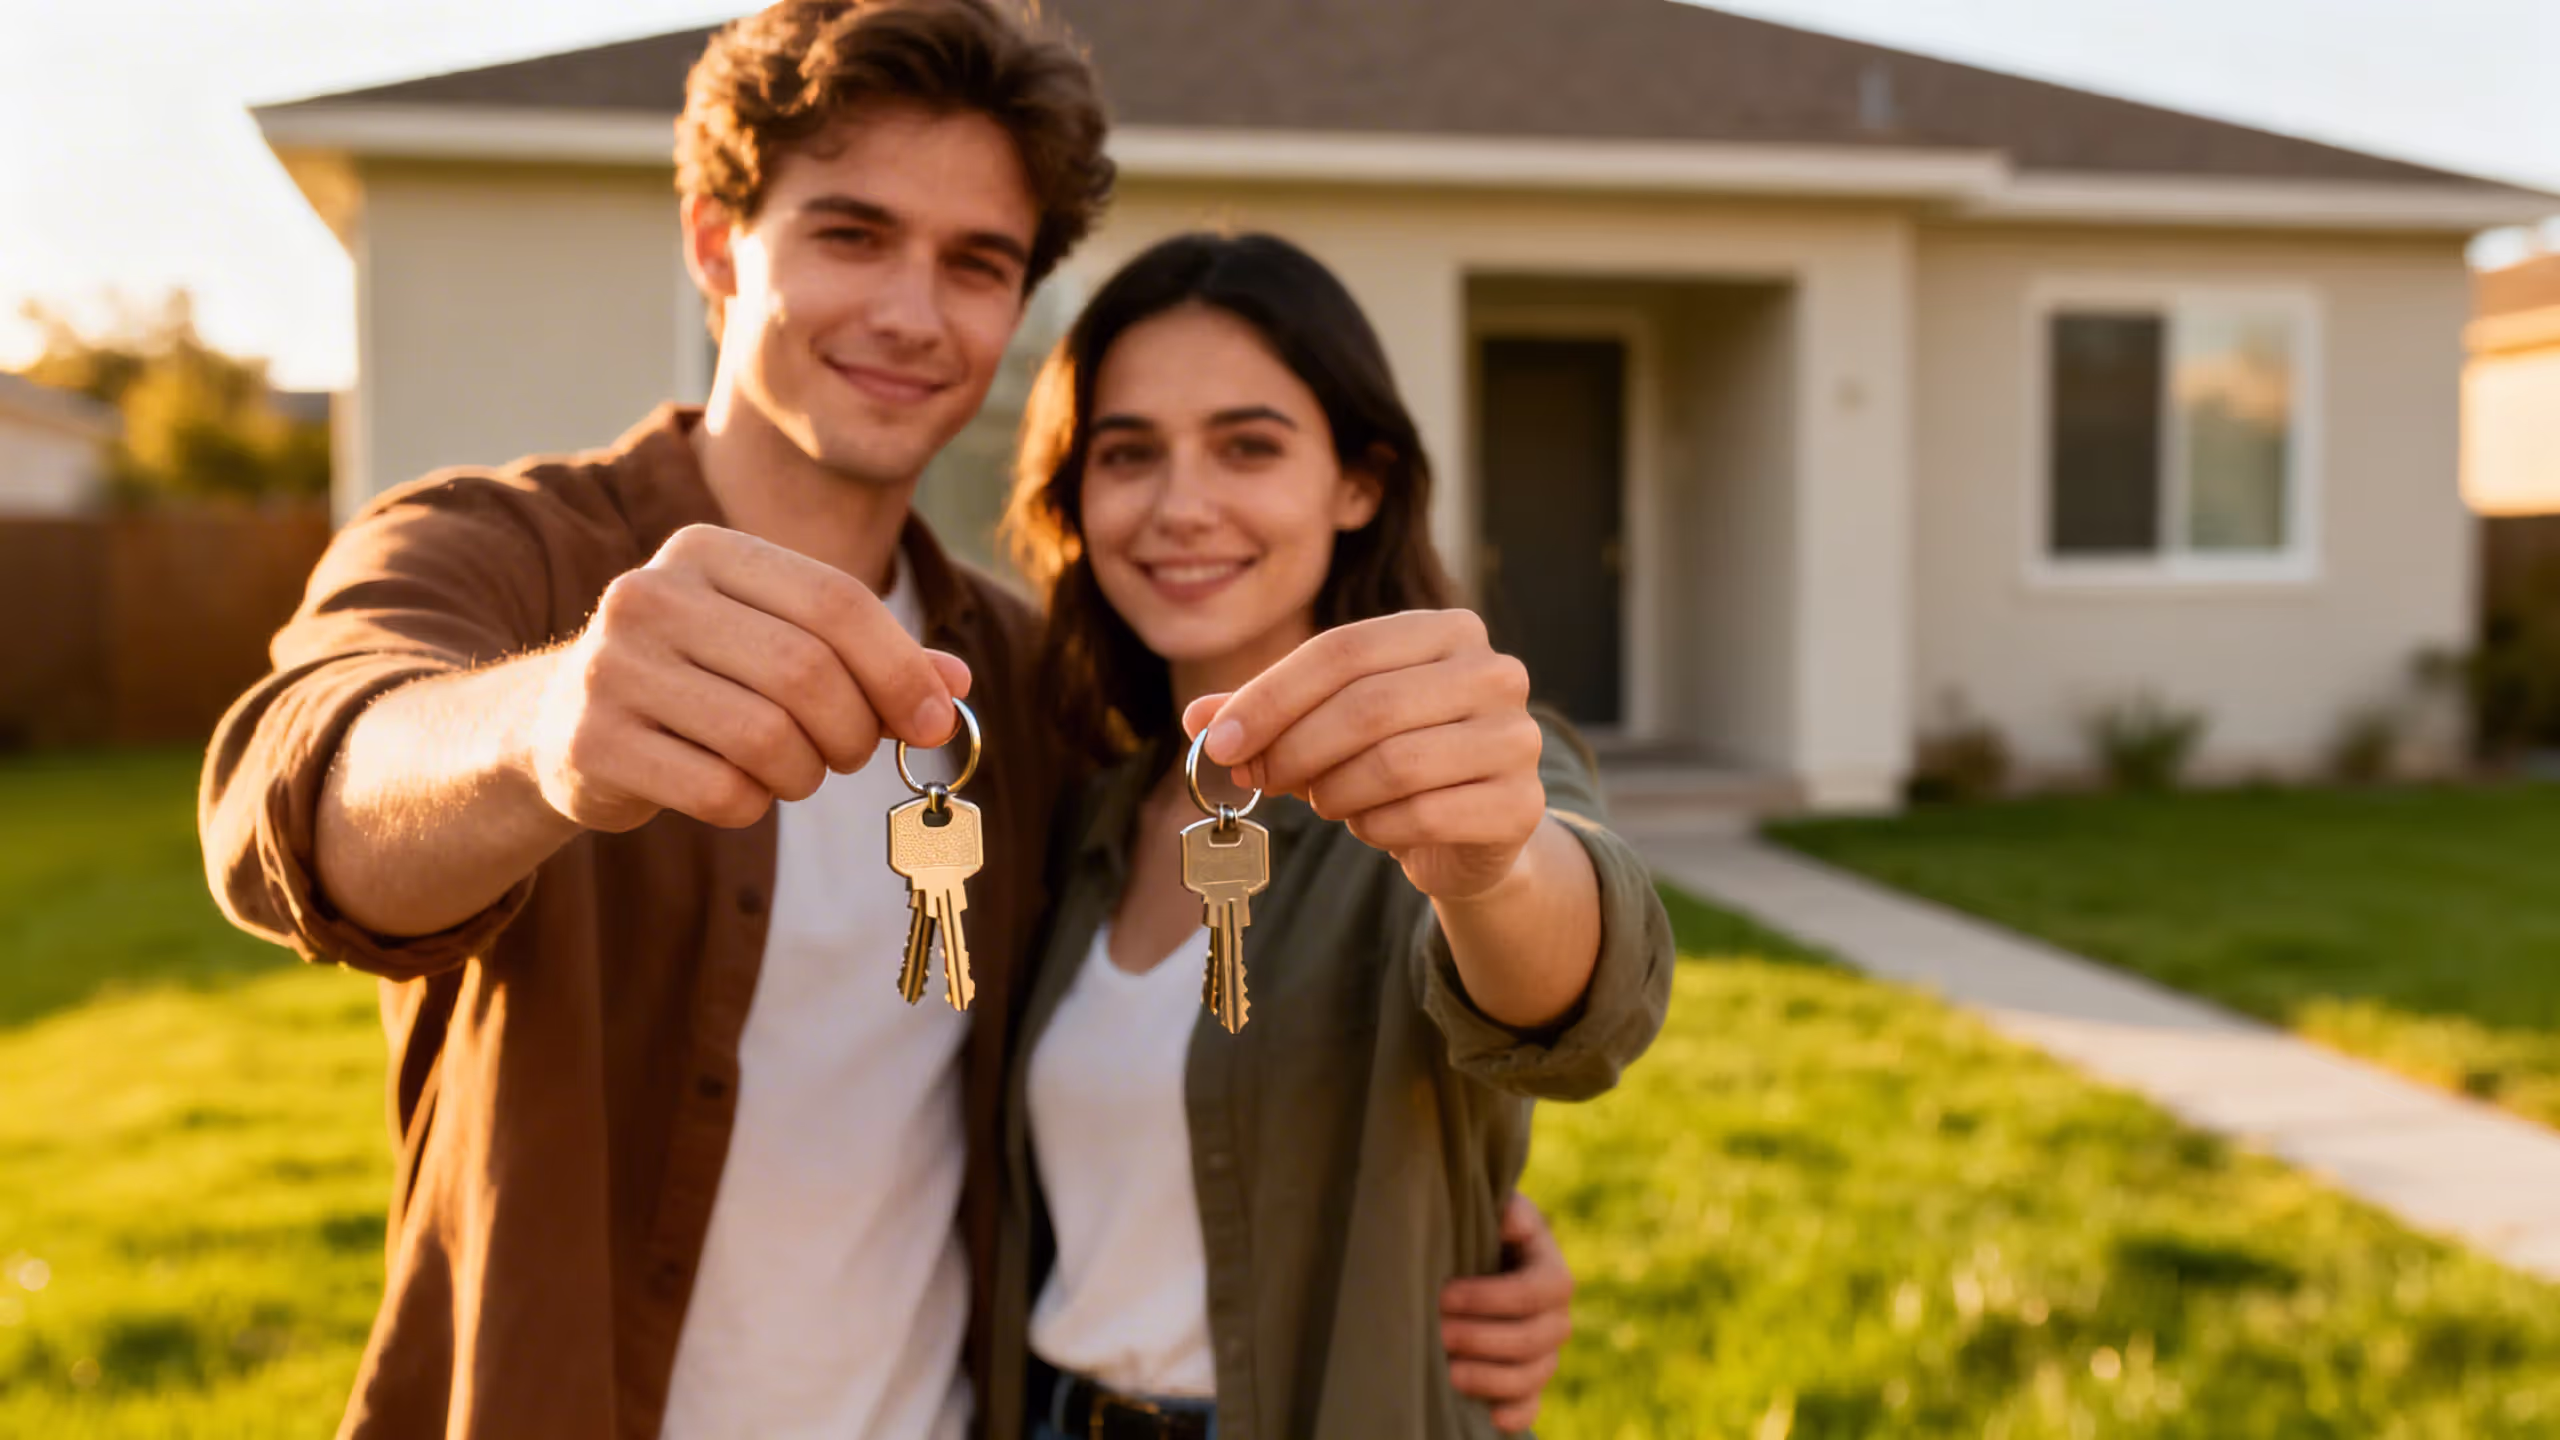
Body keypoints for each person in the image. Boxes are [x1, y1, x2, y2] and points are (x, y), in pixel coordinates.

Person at [198, 3, 1573, 1437]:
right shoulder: (508, 560)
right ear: (719, 244)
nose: (913, 314)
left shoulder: (1030, 681)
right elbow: (288, 797)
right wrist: (541, 731)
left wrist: (1465, 1223)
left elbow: (1142, 1051)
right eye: (851, 235)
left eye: (976, 263)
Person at [989, 232, 1674, 1440]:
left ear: (1356, 483)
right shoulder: (1089, 806)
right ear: (1076, 496)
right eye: (1127, 453)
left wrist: (1496, 868)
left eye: (1248, 446)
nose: (1179, 505)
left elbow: (1581, 998)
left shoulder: (1456, 770)